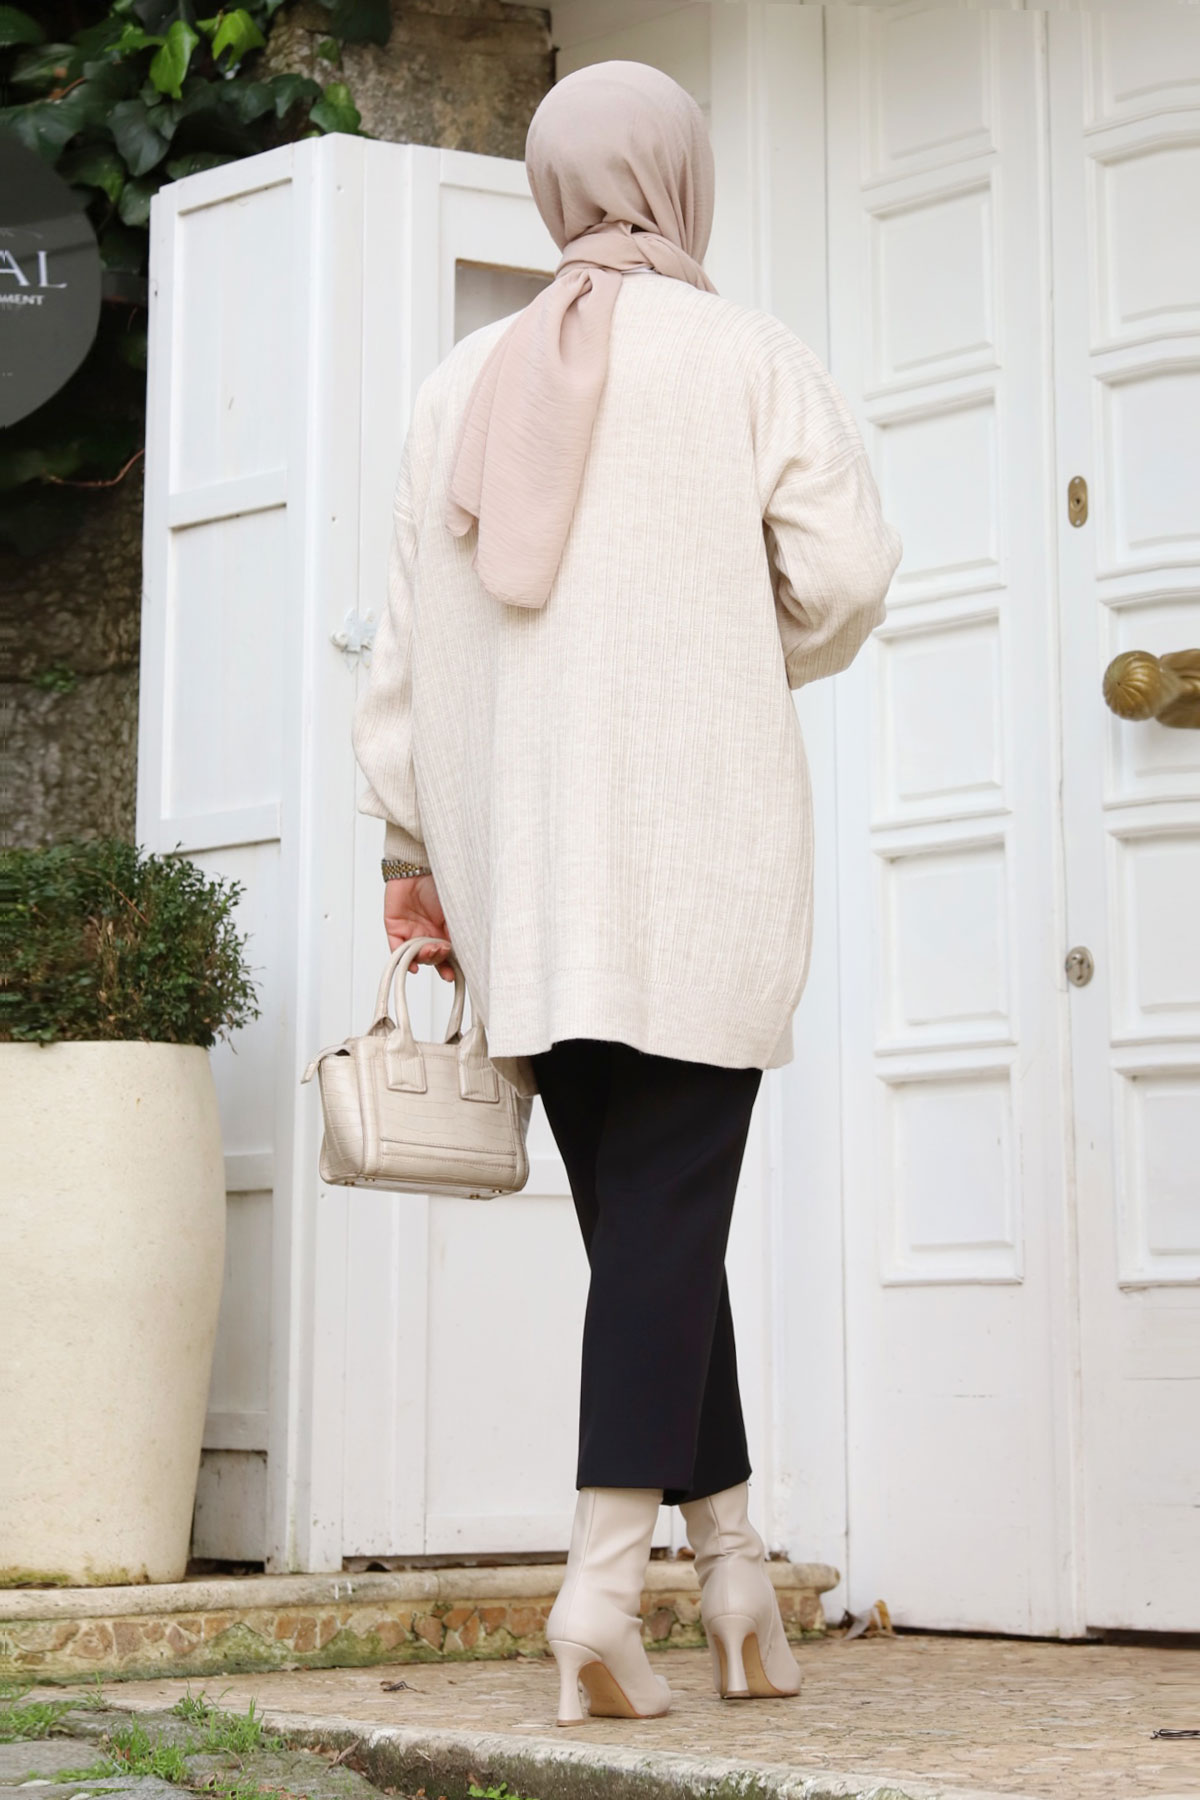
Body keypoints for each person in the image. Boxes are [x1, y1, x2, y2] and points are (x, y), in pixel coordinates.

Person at [352, 59, 902, 1729]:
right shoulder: (747, 359)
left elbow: (402, 660)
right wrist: (738, 640)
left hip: (518, 865)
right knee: (666, 1216)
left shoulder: (458, 385)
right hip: (693, 847)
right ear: (679, 176)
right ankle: (598, 1591)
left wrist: (410, 858)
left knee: (653, 1225)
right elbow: (845, 579)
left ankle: (733, 1576)